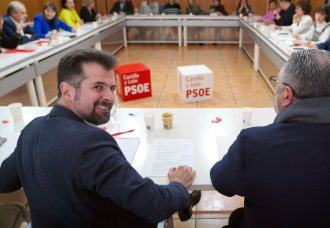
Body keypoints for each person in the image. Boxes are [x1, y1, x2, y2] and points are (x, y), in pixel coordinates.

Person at [0, 49, 197, 227]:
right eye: (98, 87)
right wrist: (178, 184)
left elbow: (5, 181)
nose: (110, 97)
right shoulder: (90, 143)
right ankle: (184, 199)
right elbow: (155, 205)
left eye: (111, 88)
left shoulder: (32, 129)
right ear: (67, 91)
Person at [210, 49, 330, 228]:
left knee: (238, 216)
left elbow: (221, 181)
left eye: (278, 84)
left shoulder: (254, 143)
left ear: (286, 95)